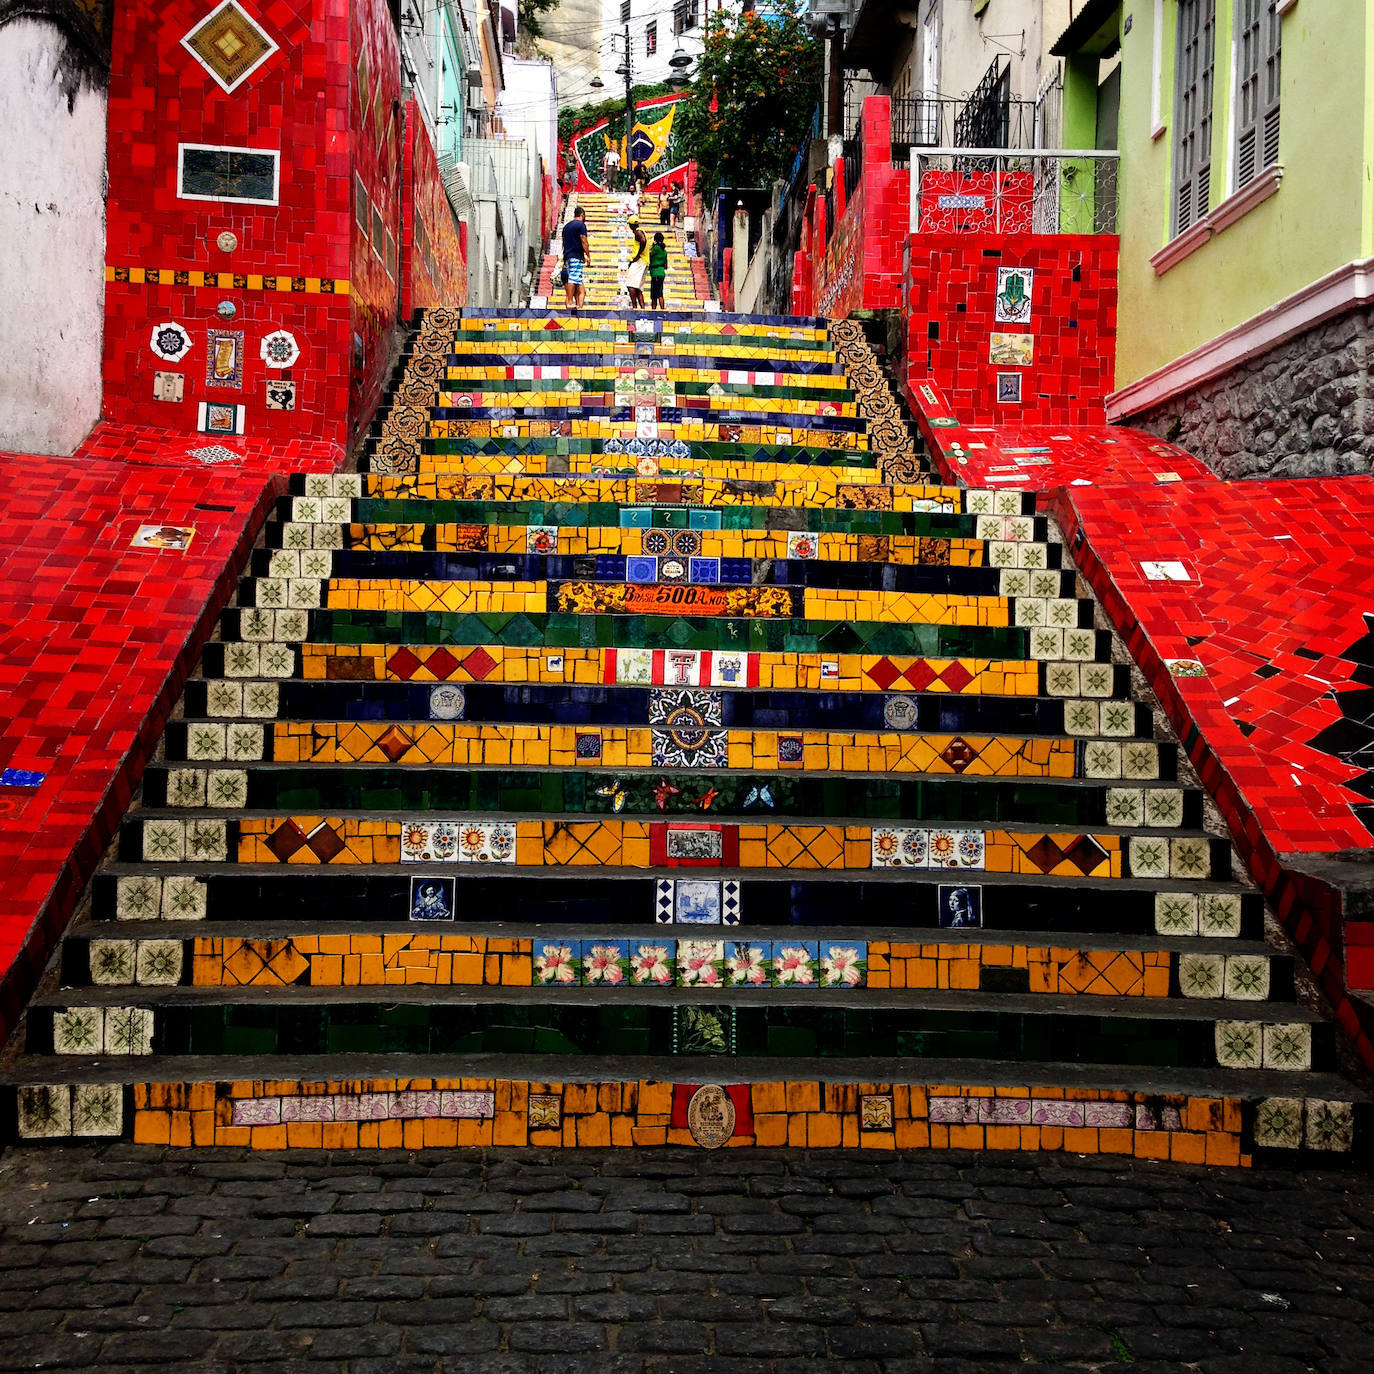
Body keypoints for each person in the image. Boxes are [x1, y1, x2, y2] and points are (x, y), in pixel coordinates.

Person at [560, 205, 589, 309]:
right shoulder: (581, 225)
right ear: (582, 214)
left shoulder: (566, 227)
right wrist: (588, 255)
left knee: (578, 285)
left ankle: (577, 306)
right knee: (573, 278)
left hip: (567, 255)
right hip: (575, 256)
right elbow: (583, 240)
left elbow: (564, 242)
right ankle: (569, 302)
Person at [625, 215, 647, 309]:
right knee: (638, 288)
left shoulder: (638, 232)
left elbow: (643, 240)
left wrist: (638, 255)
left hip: (640, 261)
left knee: (630, 285)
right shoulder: (641, 231)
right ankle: (642, 308)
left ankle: (634, 306)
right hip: (643, 261)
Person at [648, 230, 668, 311]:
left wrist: (652, 246)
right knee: (660, 292)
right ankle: (662, 309)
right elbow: (666, 265)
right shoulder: (664, 251)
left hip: (655, 272)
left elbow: (649, 254)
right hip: (661, 272)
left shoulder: (656, 248)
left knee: (654, 295)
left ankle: (654, 310)